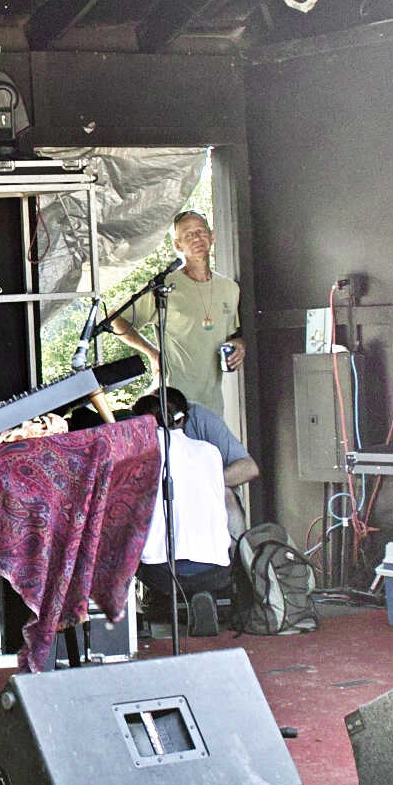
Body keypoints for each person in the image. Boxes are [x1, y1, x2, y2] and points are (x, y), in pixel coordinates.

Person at [122, 387, 258, 624]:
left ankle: (135, 617)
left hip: (161, 573)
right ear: (182, 419)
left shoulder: (139, 458)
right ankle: (225, 589)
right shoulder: (210, 452)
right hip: (216, 571)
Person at [108, 209, 243, 422]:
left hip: (213, 405)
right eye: (188, 234)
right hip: (173, 403)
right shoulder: (165, 286)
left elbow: (231, 336)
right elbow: (116, 319)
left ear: (212, 236)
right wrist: (152, 352)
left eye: (201, 231)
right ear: (177, 245)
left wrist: (240, 345)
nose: (196, 237)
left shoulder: (229, 288)